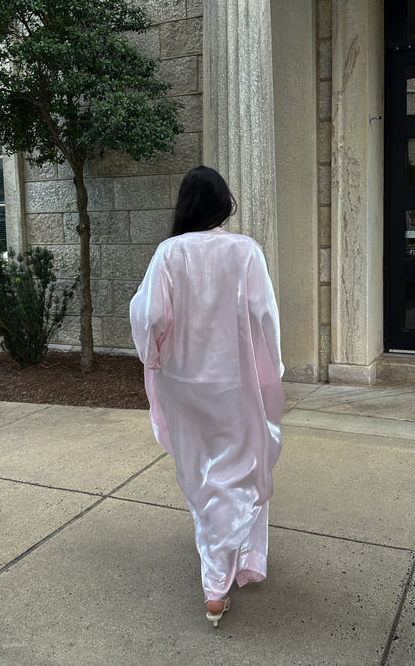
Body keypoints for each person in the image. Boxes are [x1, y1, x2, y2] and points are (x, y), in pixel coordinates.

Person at [129, 165, 285, 627]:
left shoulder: (168, 252)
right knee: (239, 469)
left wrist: (153, 359)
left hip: (183, 383)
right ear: (223, 205)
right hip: (234, 383)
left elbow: (151, 314)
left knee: (201, 471)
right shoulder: (245, 251)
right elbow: (265, 315)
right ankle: (218, 581)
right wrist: (271, 370)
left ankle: (224, 559)